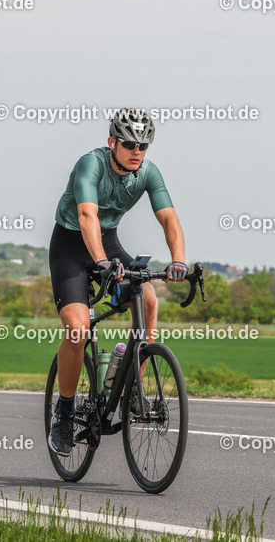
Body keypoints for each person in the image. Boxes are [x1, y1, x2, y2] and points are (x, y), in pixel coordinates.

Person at [47, 108, 188, 457]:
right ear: (112, 142)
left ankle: (132, 389)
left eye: (143, 145)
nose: (136, 151)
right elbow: (86, 215)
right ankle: (63, 415)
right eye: (128, 143)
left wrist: (179, 260)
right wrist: (100, 263)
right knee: (78, 330)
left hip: (107, 243)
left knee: (149, 299)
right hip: (71, 246)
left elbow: (169, 217)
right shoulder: (90, 164)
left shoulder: (148, 173)